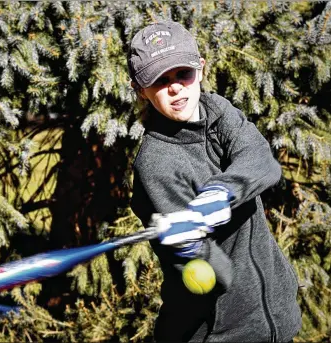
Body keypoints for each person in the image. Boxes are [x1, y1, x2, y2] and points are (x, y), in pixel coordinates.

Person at [128, 21, 301, 343]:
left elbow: (261, 161)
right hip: (219, 331)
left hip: (275, 316)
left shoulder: (217, 110)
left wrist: (220, 193)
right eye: (160, 81)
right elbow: (212, 278)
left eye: (182, 74)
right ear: (141, 90)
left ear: (201, 69)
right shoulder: (156, 165)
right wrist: (190, 248)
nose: (176, 88)